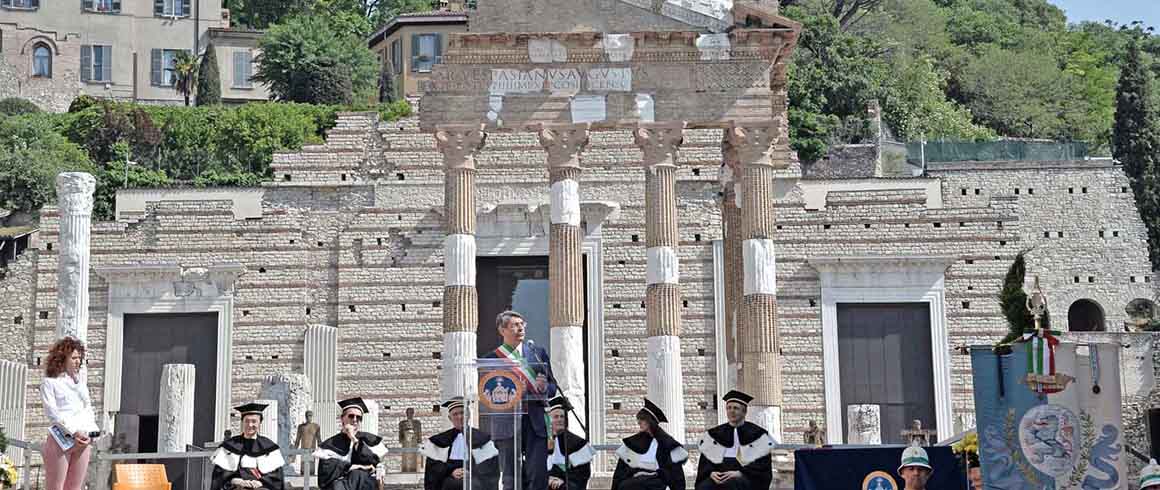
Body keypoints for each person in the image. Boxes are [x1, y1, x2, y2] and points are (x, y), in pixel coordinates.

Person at [483, 310, 557, 490]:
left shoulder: (537, 353)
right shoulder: (491, 359)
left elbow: (553, 388)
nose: (520, 328)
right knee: (511, 478)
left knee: (538, 475)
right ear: (502, 330)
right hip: (506, 424)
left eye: (522, 324)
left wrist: (544, 388)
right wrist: (514, 393)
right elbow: (486, 395)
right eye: (515, 325)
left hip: (535, 423)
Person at [40, 336, 99, 490]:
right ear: (62, 359)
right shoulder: (50, 383)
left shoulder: (81, 385)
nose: (78, 361)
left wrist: (88, 432)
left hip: (83, 442)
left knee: (75, 487)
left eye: (80, 358)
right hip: (61, 441)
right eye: (74, 357)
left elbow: (88, 409)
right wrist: (74, 432)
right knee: (55, 487)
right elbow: (53, 413)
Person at [694, 390, 774, 490]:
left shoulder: (758, 434)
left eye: (736, 408)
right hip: (719, 475)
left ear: (744, 412)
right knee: (705, 487)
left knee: (732, 484)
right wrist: (711, 473)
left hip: (746, 477)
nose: (731, 411)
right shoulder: (715, 433)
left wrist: (740, 473)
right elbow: (705, 463)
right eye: (729, 408)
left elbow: (762, 465)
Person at [422, 398, 500, 490]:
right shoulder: (439, 441)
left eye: (462, 413)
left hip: (475, 480)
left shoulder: (483, 438)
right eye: (455, 414)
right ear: (449, 418)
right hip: (449, 480)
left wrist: (471, 472)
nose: (460, 417)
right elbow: (433, 469)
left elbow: (491, 467)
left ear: (469, 415)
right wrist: (451, 472)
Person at [611, 398, 687, 490]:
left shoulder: (667, 443)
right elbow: (620, 472)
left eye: (642, 419)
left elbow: (677, 475)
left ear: (650, 421)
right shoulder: (634, 442)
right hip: (636, 481)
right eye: (638, 419)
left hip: (657, 482)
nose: (639, 422)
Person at [314, 398, 389, 490]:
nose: (355, 420)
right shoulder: (330, 444)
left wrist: (354, 439)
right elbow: (326, 473)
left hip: (364, 484)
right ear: (342, 418)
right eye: (351, 416)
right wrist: (353, 467)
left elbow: (373, 462)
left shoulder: (369, 439)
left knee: (360, 477)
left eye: (359, 417)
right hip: (340, 485)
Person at [210, 403, 286, 490]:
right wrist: (236, 481)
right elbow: (219, 476)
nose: (250, 425)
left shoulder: (269, 447)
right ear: (242, 422)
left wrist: (261, 481)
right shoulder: (229, 446)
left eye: (254, 421)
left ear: (260, 422)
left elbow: (277, 478)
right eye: (247, 421)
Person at [546, 396, 595, 490]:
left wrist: (561, 481)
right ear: (549, 421)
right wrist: (547, 478)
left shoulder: (578, 444)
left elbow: (581, 476)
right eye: (556, 417)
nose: (560, 419)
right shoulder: (539, 443)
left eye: (562, 417)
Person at [399, 408, 424, 472]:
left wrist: (420, 441)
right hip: (406, 443)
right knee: (406, 457)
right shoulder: (402, 423)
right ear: (406, 413)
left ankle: (414, 469)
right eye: (408, 413)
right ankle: (405, 469)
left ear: (413, 413)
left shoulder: (417, 423)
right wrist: (401, 440)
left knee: (414, 457)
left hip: (414, 442)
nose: (409, 414)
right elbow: (400, 434)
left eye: (411, 413)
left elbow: (419, 432)